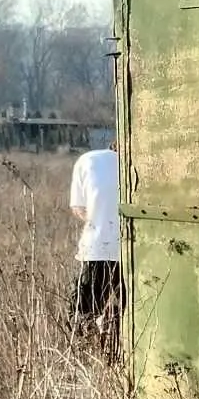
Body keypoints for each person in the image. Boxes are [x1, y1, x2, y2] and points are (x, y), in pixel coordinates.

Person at [68, 138, 122, 345]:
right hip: (142, 252)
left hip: (98, 249)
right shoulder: (147, 162)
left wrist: (101, 217)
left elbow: (79, 209)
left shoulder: (88, 160)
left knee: (81, 318)